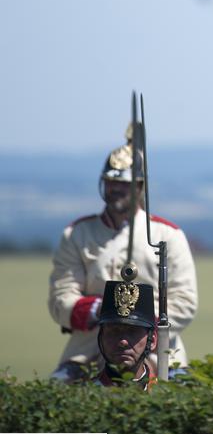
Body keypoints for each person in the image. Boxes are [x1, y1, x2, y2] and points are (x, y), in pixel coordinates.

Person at [48, 126, 198, 382]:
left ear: (140, 187)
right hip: (87, 349)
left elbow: (184, 302)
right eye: (110, 182)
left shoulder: (169, 234)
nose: (115, 189)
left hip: (159, 350)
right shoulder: (76, 233)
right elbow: (61, 298)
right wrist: (103, 310)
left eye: (123, 184)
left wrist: (139, 326)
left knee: (182, 391)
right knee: (57, 388)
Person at [93, 279, 157, 388]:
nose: (123, 342)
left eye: (133, 332)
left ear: (152, 341)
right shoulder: (83, 394)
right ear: (101, 337)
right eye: (114, 331)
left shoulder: (165, 393)